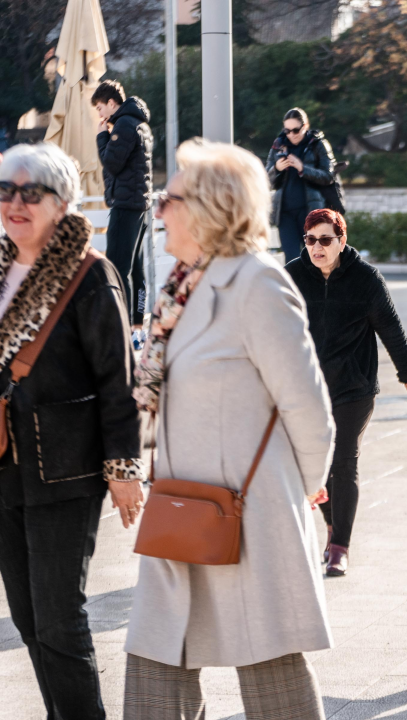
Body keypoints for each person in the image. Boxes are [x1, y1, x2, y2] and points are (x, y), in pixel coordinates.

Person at [124, 140, 336, 718]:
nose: (158, 208)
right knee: (152, 667)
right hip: (178, 512)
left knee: (274, 681)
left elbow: (309, 413)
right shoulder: (180, 288)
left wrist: (297, 496)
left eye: (170, 197)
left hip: (248, 519)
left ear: (212, 206)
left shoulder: (258, 283)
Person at [0, 144, 143, 719]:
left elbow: (119, 380)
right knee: (30, 619)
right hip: (6, 463)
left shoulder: (91, 273)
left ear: (61, 203)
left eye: (30, 192)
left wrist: (124, 467)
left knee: (60, 619)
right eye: (6, 191)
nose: (15, 203)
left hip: (66, 468)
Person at [285, 208, 407, 576]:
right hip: (308, 388)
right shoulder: (293, 276)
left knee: (343, 460)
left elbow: (389, 326)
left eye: (326, 240)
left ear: (341, 241)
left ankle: (340, 547)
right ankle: (332, 526)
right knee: (313, 465)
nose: (317, 247)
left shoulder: (365, 279)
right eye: (310, 240)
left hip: (354, 388)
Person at [92, 79, 152, 344]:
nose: (100, 114)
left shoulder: (125, 124)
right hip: (140, 205)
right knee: (136, 269)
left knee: (117, 269)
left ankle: (123, 330)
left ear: (112, 103)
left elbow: (111, 163)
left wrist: (101, 136)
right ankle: (137, 327)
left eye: (100, 107)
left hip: (126, 206)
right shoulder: (140, 124)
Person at [266, 107, 340, 263]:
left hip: (311, 212)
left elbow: (328, 176)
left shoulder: (318, 144)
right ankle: (296, 288)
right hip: (284, 213)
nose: (291, 134)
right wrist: (276, 169)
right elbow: (265, 180)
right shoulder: (278, 145)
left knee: (314, 256)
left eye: (295, 130)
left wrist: (302, 168)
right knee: (291, 259)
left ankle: (315, 288)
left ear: (305, 126)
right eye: (287, 130)